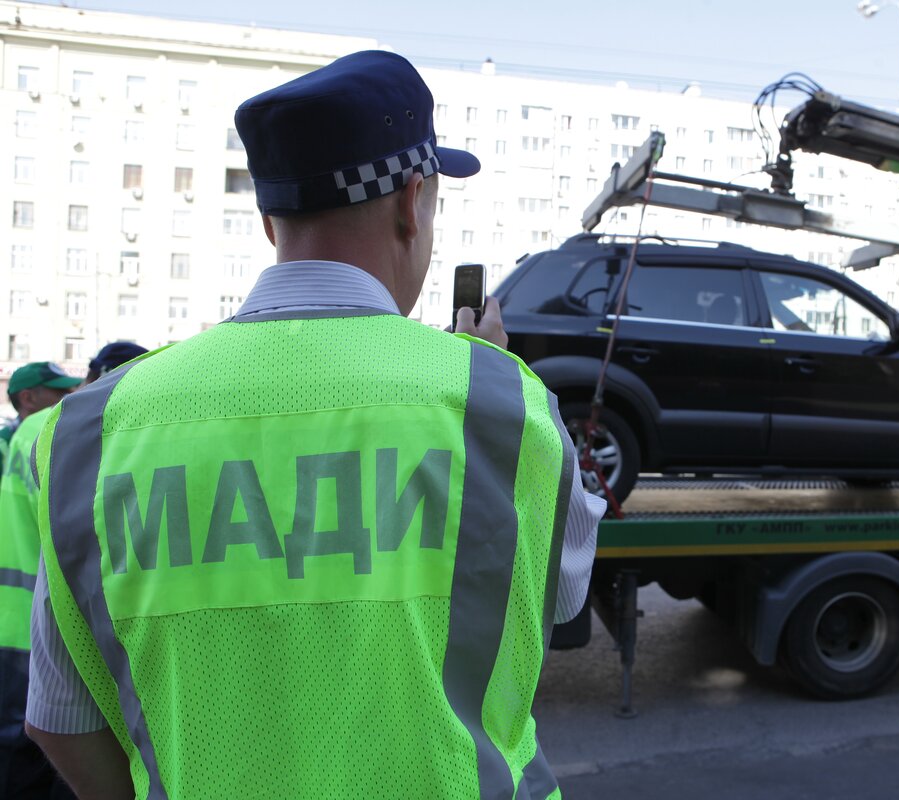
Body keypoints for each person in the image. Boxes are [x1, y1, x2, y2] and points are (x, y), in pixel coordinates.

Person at [25, 50, 604, 800]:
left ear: (271, 220)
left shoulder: (89, 432)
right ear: (411, 201)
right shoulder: (499, 403)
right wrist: (487, 375)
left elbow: (60, 721)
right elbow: (558, 605)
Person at [1, 362, 83, 799]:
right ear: (29, 397)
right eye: (57, 391)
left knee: (16, 761)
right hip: (41, 631)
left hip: (11, 622)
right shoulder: (51, 428)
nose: (66, 395)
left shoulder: (23, 434)